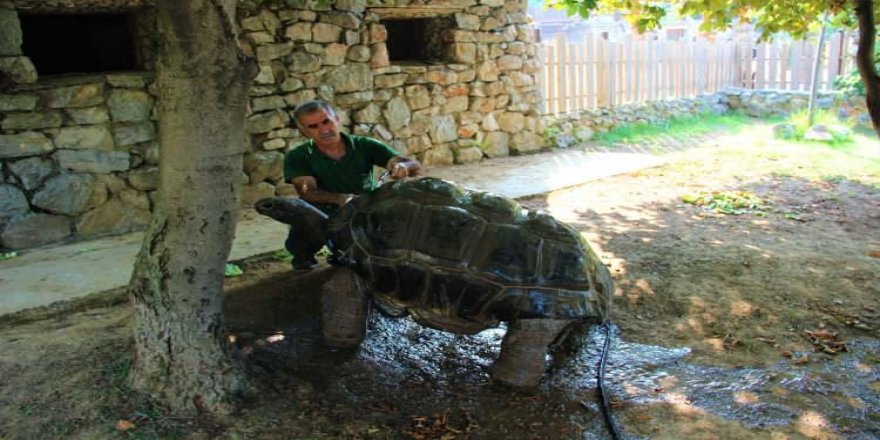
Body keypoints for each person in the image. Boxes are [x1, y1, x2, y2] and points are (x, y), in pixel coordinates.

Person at [283, 99, 422, 271]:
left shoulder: (365, 145)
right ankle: (303, 257)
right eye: (313, 126)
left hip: (364, 210)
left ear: (337, 119)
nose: (324, 130)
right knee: (302, 227)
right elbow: (306, 191)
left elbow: (413, 165)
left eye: (327, 121)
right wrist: (341, 199)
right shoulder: (298, 156)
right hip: (324, 213)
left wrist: (403, 166)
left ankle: (353, 255)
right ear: (304, 131)